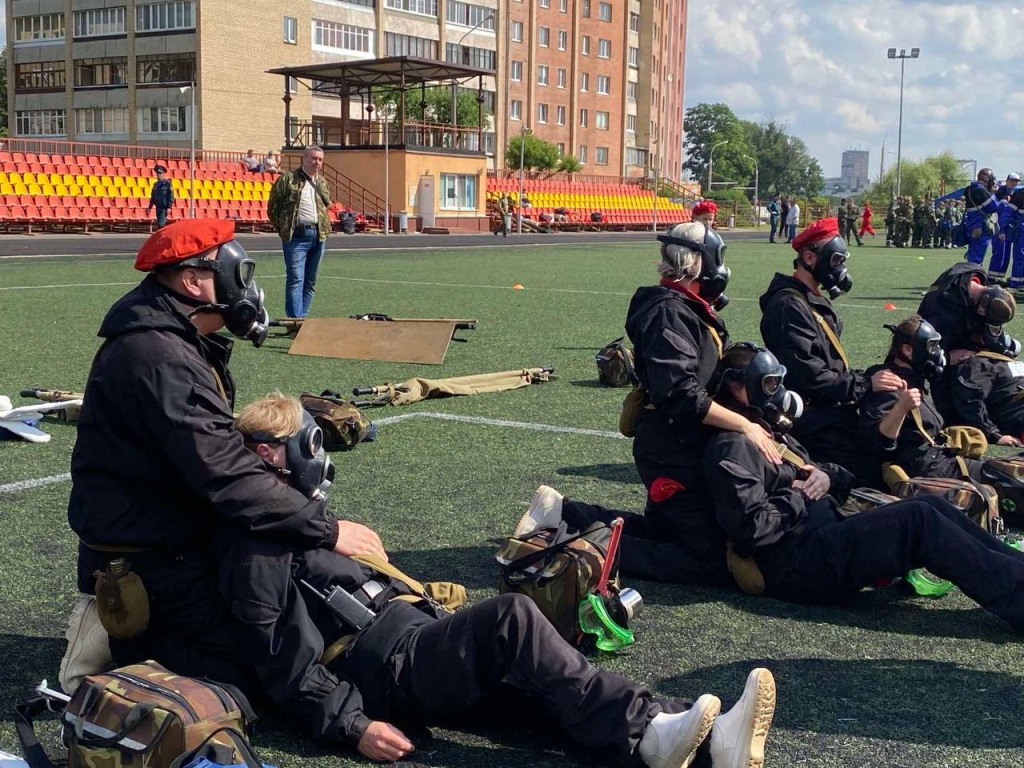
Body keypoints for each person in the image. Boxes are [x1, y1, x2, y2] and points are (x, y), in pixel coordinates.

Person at [226, 392, 778, 768]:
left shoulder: (294, 523)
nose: (318, 459)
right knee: (510, 619)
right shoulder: (257, 548)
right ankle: (652, 727)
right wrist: (350, 726)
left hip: (410, 639)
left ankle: (705, 747)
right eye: (309, 445)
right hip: (385, 669)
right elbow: (280, 665)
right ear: (271, 455)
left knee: (547, 696)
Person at [66, 219, 386, 694]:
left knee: (297, 619)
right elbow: (224, 473)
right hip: (152, 563)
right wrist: (328, 529)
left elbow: (215, 453)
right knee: (257, 673)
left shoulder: (172, 340)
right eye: (238, 272)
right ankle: (115, 633)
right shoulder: (159, 357)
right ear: (193, 280)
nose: (250, 288)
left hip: (177, 541)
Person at [701, 342, 1024, 634]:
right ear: (735, 386)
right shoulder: (732, 446)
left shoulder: (767, 431)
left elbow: (838, 476)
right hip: (795, 564)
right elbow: (751, 529)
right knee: (918, 519)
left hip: (821, 537)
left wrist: (825, 477)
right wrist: (798, 494)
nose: (776, 392)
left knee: (934, 506)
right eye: (768, 383)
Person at [551, 222, 780, 586]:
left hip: (679, 440)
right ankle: (577, 543)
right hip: (671, 446)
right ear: (699, 263)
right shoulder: (668, 313)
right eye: (718, 258)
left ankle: (564, 514)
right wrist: (744, 425)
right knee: (705, 560)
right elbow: (679, 392)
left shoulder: (681, 307)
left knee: (666, 530)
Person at [759, 218, 903, 488]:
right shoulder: (788, 306)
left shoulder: (807, 299)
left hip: (830, 406)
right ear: (810, 258)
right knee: (869, 473)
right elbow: (808, 376)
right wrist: (864, 384)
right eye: (835, 260)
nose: (840, 268)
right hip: (813, 419)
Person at [917, 262, 1016, 419]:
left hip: (959, 337)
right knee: (951, 413)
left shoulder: (974, 273)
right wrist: (948, 358)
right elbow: (921, 353)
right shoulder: (941, 308)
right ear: (981, 310)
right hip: (942, 353)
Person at [268, 145, 331, 319]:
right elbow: (273, 206)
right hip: (296, 237)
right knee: (296, 279)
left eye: (320, 159)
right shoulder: (288, 179)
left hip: (319, 236)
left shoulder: (322, 182)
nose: (317, 162)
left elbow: (326, 206)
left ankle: (302, 319)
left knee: (310, 281)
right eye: (313, 158)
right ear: (303, 158)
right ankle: (294, 321)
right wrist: (283, 228)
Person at [949, 320, 1024, 447]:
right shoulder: (977, 363)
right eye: (994, 330)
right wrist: (993, 434)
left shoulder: (1000, 360)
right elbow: (970, 401)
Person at [963, 168, 1001, 265]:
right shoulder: (981, 190)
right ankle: (973, 278)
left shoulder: (970, 189)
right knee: (976, 258)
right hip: (980, 225)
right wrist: (992, 194)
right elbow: (993, 207)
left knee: (974, 253)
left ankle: (972, 276)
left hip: (972, 224)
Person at [147, 164, 174, 229]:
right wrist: (149, 207)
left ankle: (161, 237)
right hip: (158, 207)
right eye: (158, 174)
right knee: (159, 223)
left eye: (161, 173)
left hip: (164, 207)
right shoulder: (155, 184)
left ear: (163, 174)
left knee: (161, 224)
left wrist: (169, 207)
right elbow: (153, 197)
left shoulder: (167, 183)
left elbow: (171, 196)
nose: (159, 175)